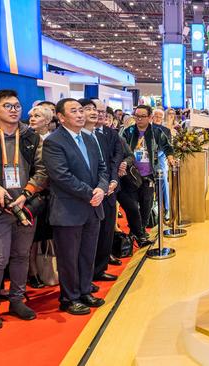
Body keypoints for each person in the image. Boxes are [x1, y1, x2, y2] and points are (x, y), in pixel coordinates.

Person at [0, 90, 48, 329]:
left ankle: (17, 300)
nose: (14, 110)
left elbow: (42, 170)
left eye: (17, 105)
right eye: (8, 106)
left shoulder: (31, 136)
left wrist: (27, 192)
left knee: (21, 256)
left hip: (25, 206)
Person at [43, 98, 108, 315]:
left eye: (81, 110)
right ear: (61, 117)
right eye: (74, 111)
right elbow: (61, 176)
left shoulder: (88, 139)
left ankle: (85, 290)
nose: (81, 114)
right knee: (68, 257)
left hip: (93, 207)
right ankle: (69, 298)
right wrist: (90, 193)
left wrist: (101, 187)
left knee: (87, 253)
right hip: (68, 209)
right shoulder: (54, 141)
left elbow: (102, 167)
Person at [83, 99, 124, 281]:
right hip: (88, 193)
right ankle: (87, 275)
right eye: (92, 110)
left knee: (107, 230)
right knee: (90, 236)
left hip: (108, 189)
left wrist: (112, 180)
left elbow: (113, 160)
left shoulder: (106, 135)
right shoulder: (82, 136)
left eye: (100, 111)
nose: (97, 114)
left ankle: (99, 269)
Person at [119, 105, 174, 239]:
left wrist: (170, 158)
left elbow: (167, 146)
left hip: (149, 175)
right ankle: (136, 232)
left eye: (142, 116)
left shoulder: (156, 132)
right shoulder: (128, 131)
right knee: (132, 207)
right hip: (130, 175)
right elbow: (118, 148)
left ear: (149, 117)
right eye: (136, 116)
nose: (139, 119)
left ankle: (141, 230)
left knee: (146, 206)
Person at [26, 105, 54, 288]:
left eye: (37, 116)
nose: (32, 119)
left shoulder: (54, 140)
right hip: (31, 193)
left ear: (48, 120)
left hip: (51, 194)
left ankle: (46, 270)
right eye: (31, 116)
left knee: (45, 234)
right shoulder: (26, 139)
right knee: (31, 237)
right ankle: (32, 271)